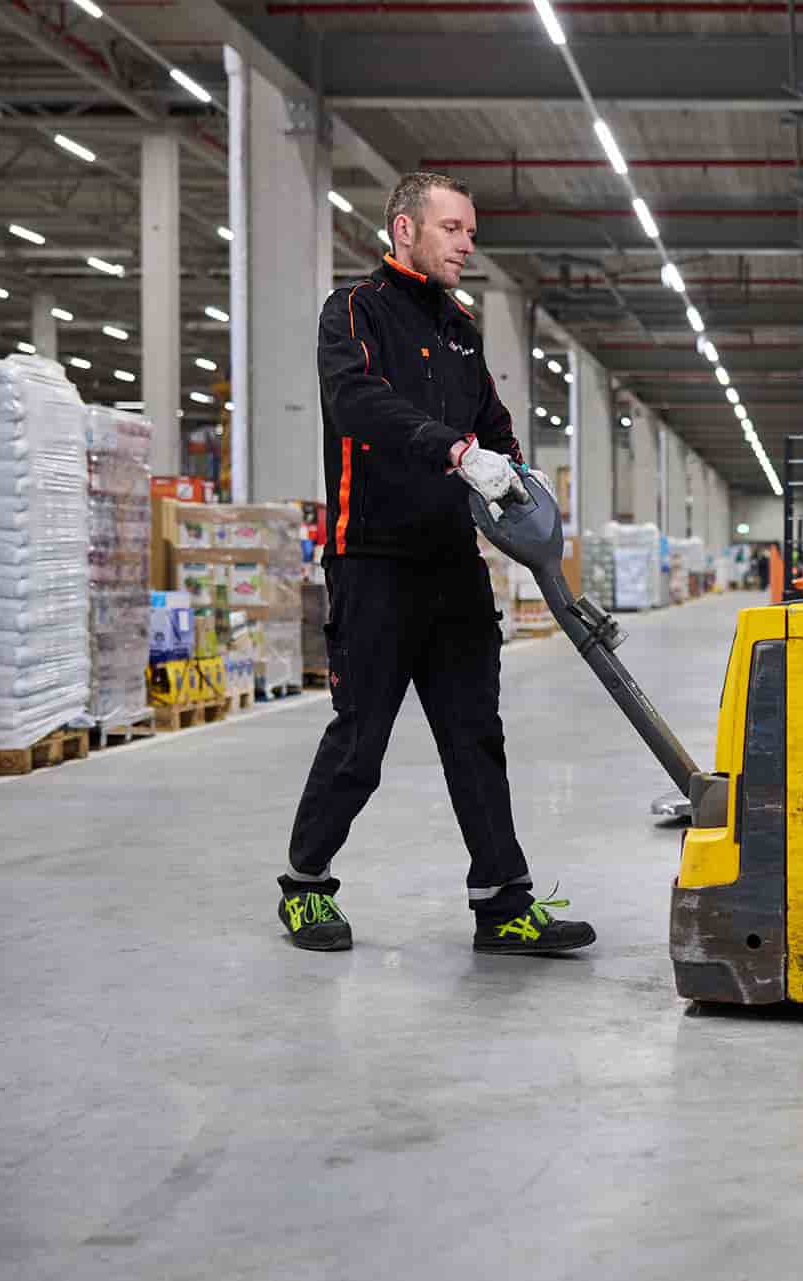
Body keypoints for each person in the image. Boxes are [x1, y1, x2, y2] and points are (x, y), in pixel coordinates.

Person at [276, 171, 595, 957]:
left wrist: (518, 476)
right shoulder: (353, 312)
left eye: (472, 232)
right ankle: (306, 887)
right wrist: (451, 448)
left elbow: (490, 419)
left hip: (453, 566)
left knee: (474, 734)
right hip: (372, 560)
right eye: (452, 228)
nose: (466, 243)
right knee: (362, 741)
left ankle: (503, 904)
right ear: (405, 229)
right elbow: (356, 402)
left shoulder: (461, 329)